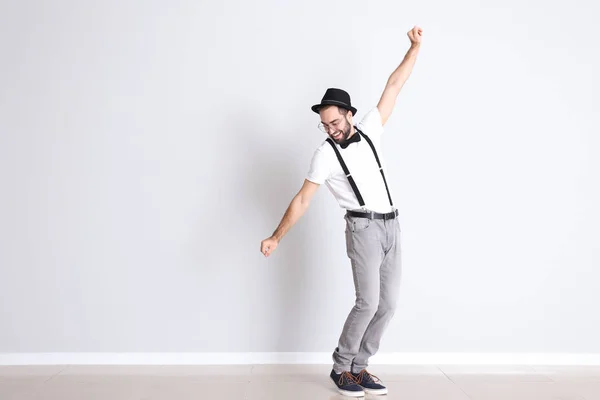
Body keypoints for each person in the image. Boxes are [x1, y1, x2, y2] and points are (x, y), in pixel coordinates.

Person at [260, 26, 422, 397]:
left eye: (335, 121)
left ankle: (360, 367)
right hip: (362, 229)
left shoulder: (369, 130)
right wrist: (275, 236)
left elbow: (394, 85)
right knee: (367, 302)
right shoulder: (324, 155)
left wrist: (414, 48)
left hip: (392, 226)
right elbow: (302, 199)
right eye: (325, 124)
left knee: (389, 304)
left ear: (349, 113)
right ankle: (341, 367)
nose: (330, 129)